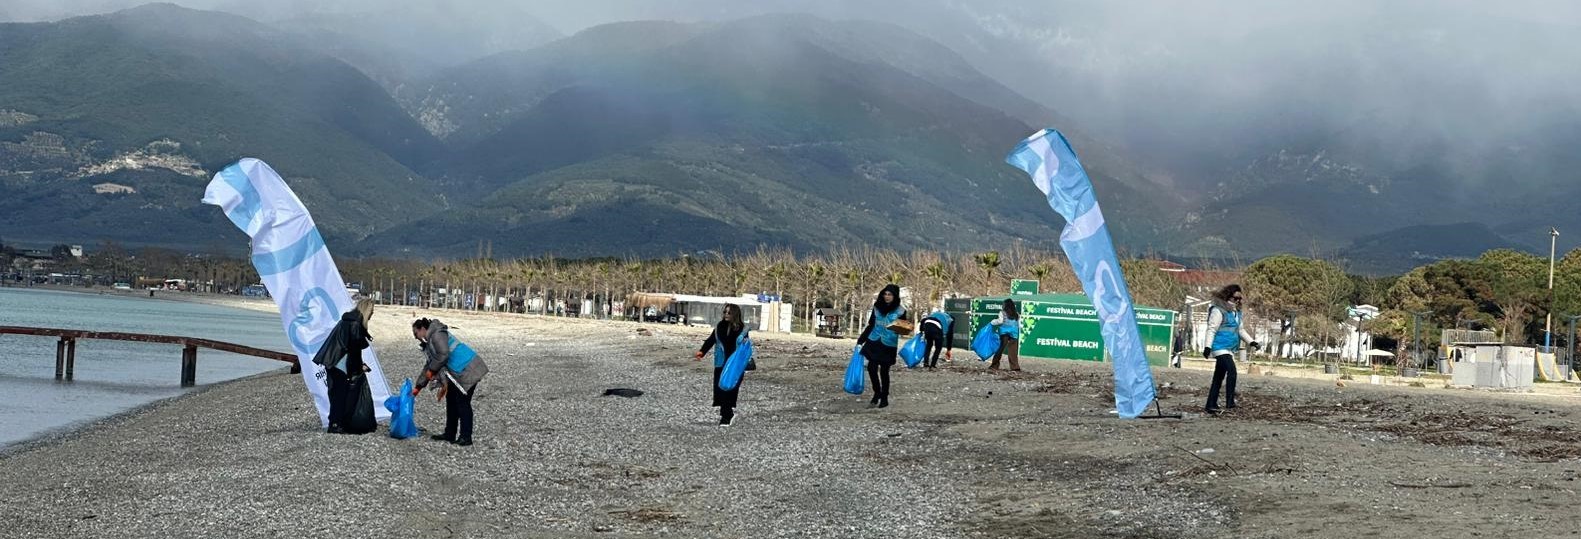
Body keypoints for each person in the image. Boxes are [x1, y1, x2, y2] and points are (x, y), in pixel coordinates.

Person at [412, 318, 490, 446]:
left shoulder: (436, 335)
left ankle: (466, 437)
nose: (416, 337)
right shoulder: (432, 339)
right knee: (452, 401)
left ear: (422, 329)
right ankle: (450, 433)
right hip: (459, 371)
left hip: (468, 368)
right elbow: (430, 364)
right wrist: (418, 386)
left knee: (462, 403)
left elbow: (443, 355)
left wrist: (431, 371)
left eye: (416, 334)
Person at [313, 297, 376, 435]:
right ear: (366, 310)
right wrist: (358, 368)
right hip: (338, 363)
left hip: (333, 361)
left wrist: (359, 366)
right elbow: (353, 350)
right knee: (340, 395)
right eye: (371, 311)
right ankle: (335, 425)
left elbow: (351, 349)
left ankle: (336, 423)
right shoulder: (354, 324)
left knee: (337, 394)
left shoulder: (349, 321)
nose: (372, 314)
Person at [1204, 284, 1259, 414]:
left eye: (1240, 298)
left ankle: (1211, 404)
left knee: (1218, 377)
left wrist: (1252, 342)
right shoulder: (1218, 310)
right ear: (1228, 296)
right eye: (1236, 298)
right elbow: (1211, 329)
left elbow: (1240, 330)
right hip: (1219, 347)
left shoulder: (1236, 313)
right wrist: (1207, 347)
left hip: (1229, 348)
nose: (1238, 301)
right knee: (1232, 371)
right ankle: (1230, 402)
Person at [694, 304, 750, 426]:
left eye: (729, 313)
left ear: (735, 314)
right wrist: (702, 351)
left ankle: (726, 416)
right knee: (720, 388)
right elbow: (711, 340)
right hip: (721, 362)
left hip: (735, 364)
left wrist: (747, 363)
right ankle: (726, 414)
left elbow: (746, 348)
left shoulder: (743, 329)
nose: (726, 314)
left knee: (730, 388)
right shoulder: (719, 326)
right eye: (725, 312)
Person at [856, 284, 908, 408]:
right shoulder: (877, 307)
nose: (887, 296)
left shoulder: (901, 311)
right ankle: (877, 393)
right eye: (885, 294)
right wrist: (861, 340)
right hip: (873, 341)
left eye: (890, 294)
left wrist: (902, 328)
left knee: (884, 371)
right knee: (871, 369)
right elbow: (871, 325)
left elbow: (903, 328)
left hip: (889, 344)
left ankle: (884, 397)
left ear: (895, 296)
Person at [989, 299, 1022, 371]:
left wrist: (992, 322)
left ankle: (994, 365)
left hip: (1004, 333)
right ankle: (1015, 367)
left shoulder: (1002, 313)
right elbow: (1020, 325)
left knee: (1000, 349)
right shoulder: (1017, 314)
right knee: (1013, 351)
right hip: (1014, 333)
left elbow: (1000, 321)